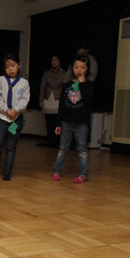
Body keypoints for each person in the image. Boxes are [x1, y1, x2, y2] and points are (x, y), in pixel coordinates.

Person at [0, 53, 30, 181]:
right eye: (7, 66)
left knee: (11, 147)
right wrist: (6, 110)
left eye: (13, 66)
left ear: (19, 65)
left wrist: (15, 110)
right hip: (2, 119)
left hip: (16, 119)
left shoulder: (24, 83)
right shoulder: (0, 80)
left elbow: (25, 100)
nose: (10, 69)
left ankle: (7, 172)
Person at [52, 55, 94, 183]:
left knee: (82, 150)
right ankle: (56, 170)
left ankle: (83, 174)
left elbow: (88, 100)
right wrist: (59, 123)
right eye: (76, 67)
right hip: (66, 122)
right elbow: (62, 106)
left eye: (82, 67)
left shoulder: (90, 85)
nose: (79, 70)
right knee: (63, 148)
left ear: (87, 69)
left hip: (82, 123)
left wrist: (82, 83)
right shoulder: (66, 86)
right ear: (72, 69)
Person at [38, 55, 66, 148]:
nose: (53, 62)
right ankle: (50, 140)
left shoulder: (64, 73)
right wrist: (41, 99)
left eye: (55, 60)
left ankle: (57, 141)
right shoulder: (47, 73)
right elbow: (43, 86)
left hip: (58, 98)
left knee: (57, 121)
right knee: (48, 122)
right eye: (52, 60)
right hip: (48, 98)